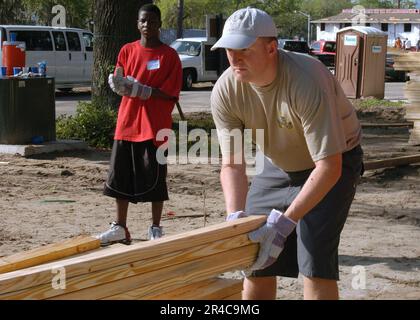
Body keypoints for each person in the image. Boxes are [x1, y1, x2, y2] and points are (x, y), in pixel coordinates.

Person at [210, 7, 363, 300]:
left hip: (334, 161)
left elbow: (329, 166)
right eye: (229, 48)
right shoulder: (226, 90)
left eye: (243, 48)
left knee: (315, 262)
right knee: (254, 258)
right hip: (278, 164)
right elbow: (232, 164)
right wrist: (235, 216)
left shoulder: (306, 79)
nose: (234, 57)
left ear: (271, 48)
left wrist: (284, 224)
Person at [97, 4, 182, 246]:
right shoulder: (126, 50)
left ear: (159, 24)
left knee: (156, 179)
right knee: (119, 177)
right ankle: (120, 227)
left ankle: (155, 227)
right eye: (143, 21)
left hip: (155, 127)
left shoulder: (169, 56)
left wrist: (144, 90)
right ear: (138, 23)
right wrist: (120, 84)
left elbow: (172, 93)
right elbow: (120, 77)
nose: (148, 25)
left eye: (152, 21)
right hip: (127, 123)